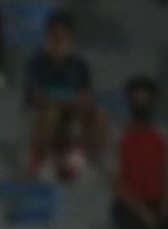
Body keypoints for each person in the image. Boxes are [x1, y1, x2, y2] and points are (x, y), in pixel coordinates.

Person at [24, 11, 108, 180]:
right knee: (52, 113)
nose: (59, 40)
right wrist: (62, 101)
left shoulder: (79, 65)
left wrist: (78, 102)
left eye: (63, 35)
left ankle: (82, 157)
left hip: (73, 108)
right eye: (56, 35)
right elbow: (35, 95)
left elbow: (87, 94)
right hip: (45, 108)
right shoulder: (37, 62)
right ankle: (42, 157)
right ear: (49, 36)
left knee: (100, 116)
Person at [112, 76, 168, 229]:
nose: (142, 105)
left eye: (146, 101)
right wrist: (143, 212)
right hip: (131, 205)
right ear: (129, 102)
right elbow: (118, 185)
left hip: (160, 201)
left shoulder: (163, 134)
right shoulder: (119, 135)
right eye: (137, 100)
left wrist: (167, 204)